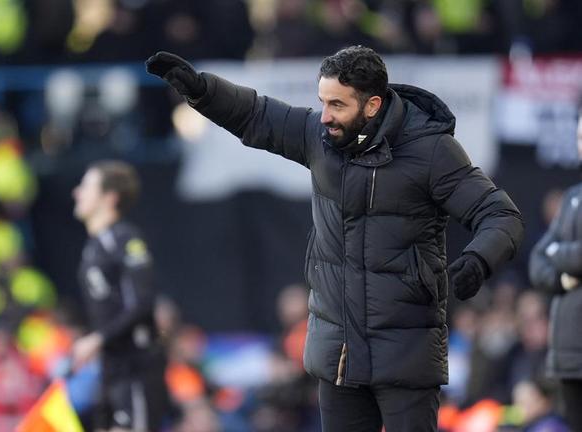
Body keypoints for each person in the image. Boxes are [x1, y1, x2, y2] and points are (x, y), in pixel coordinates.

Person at [146, 46, 524, 431]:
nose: (325, 115)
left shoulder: (432, 151)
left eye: (337, 105)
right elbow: (255, 113)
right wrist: (202, 91)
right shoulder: (319, 135)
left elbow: (501, 215)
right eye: (323, 102)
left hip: (406, 354)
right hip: (338, 357)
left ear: (373, 105)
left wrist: (479, 259)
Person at [72, 160, 168, 432]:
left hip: (136, 367)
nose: (76, 193)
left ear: (109, 198)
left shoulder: (124, 240)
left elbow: (143, 302)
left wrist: (97, 339)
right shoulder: (93, 247)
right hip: (110, 368)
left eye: (86, 187)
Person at [529, 100, 582, 432]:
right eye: (579, 137)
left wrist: (559, 253)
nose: (581, 144)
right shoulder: (573, 197)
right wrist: (565, 279)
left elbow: (552, 253)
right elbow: (538, 262)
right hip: (569, 355)